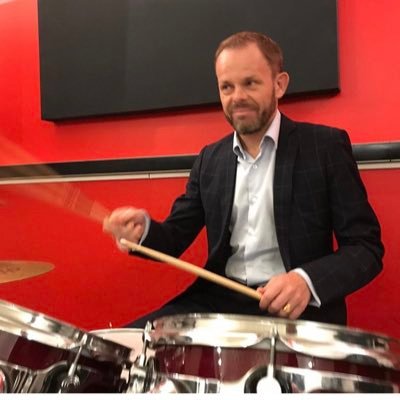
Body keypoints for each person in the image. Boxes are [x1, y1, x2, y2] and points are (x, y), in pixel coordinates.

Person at [103, 31, 384, 328]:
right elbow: (174, 237)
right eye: (227, 86)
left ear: (279, 85)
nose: (237, 97)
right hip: (217, 301)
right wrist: (142, 232)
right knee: (122, 346)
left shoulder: (324, 147)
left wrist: (305, 281)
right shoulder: (210, 159)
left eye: (250, 83)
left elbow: (366, 247)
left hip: (296, 309)